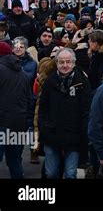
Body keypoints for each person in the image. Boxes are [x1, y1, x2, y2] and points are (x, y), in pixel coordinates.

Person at [38, 48, 91, 178]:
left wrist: (83, 134)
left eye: (68, 62)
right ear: (56, 63)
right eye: (61, 62)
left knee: (70, 173)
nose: (65, 65)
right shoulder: (50, 82)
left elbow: (86, 110)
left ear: (73, 63)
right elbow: (42, 109)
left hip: (74, 136)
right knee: (50, 173)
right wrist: (44, 129)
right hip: (51, 135)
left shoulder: (82, 83)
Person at [0, 41, 33, 178]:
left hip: (1, 123)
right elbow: (29, 100)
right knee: (14, 161)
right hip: (18, 124)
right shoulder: (23, 73)